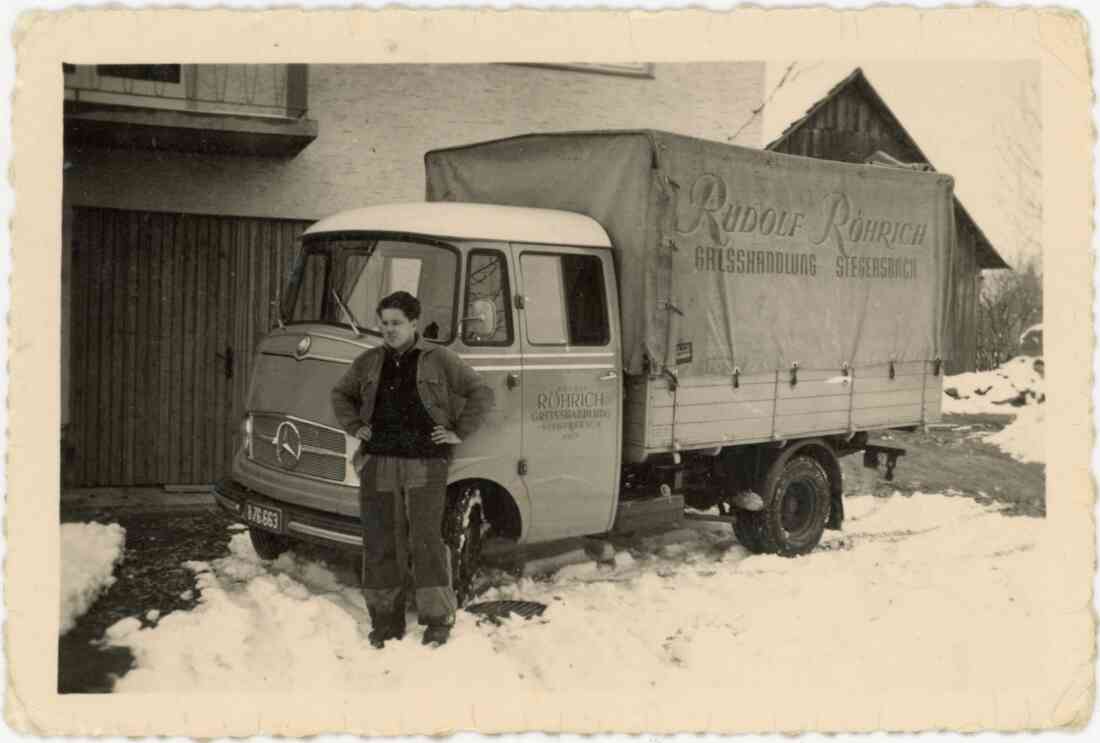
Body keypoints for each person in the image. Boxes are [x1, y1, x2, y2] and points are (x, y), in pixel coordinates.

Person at [331, 290, 493, 649]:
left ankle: (437, 620)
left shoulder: (441, 359)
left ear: (414, 324)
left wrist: (457, 432)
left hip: (425, 463)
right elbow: (340, 394)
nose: (389, 330)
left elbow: (481, 393)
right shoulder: (369, 361)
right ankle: (386, 621)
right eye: (384, 323)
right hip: (379, 463)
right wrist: (355, 426)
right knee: (380, 542)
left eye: (397, 323)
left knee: (426, 541)